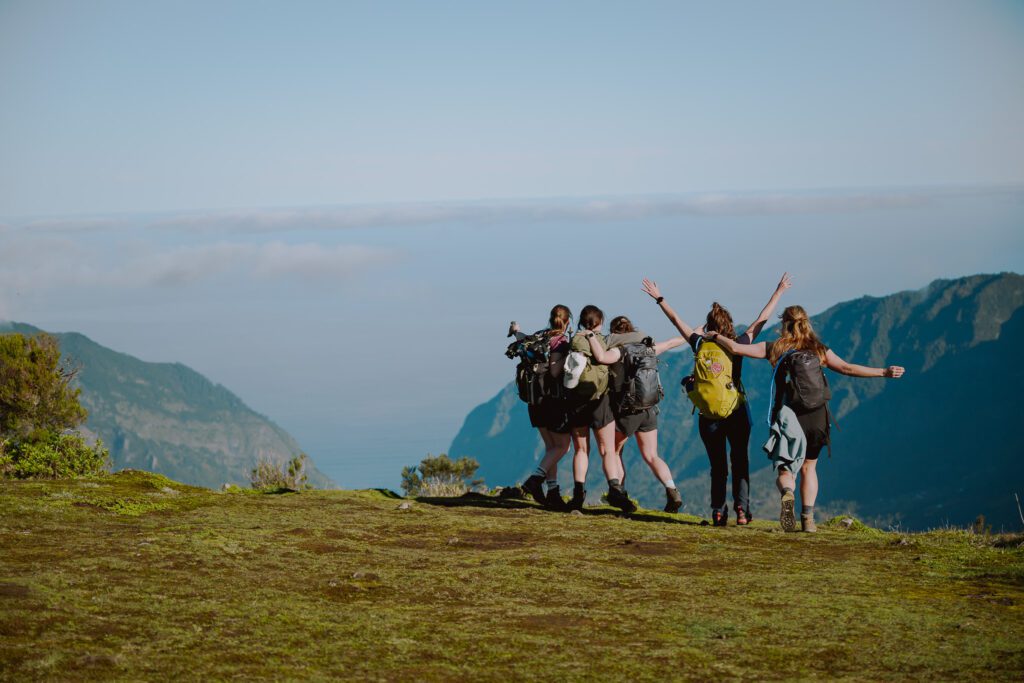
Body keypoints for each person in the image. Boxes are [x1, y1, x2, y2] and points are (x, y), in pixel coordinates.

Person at [705, 304, 905, 532]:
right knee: (810, 467)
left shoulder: (776, 348)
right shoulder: (818, 349)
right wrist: (884, 372)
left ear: (784, 324)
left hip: (791, 416)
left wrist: (715, 336)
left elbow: (736, 348)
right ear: (806, 323)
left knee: (786, 470)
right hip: (818, 415)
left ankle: (787, 493)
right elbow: (847, 368)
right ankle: (807, 519)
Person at [641, 274, 792, 526]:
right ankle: (742, 511)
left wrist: (659, 297)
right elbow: (760, 322)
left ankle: (718, 511)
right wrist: (778, 292)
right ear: (729, 325)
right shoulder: (738, 344)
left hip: (708, 416)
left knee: (718, 466)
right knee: (740, 461)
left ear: (710, 325)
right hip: (736, 411)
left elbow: (675, 320)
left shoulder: (699, 343)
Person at [584, 315, 687, 512]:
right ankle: (672, 489)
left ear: (614, 333)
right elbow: (674, 342)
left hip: (627, 411)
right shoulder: (649, 348)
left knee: (613, 451)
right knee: (651, 455)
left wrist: (589, 336)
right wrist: (694, 333)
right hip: (649, 409)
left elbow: (601, 358)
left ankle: (620, 494)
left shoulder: (619, 350)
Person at [564, 305, 635, 513]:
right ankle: (615, 489)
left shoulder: (575, 341)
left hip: (576, 401)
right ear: (599, 322)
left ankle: (578, 495)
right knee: (608, 449)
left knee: (581, 449)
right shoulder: (602, 341)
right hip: (600, 401)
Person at [513, 306, 574, 510]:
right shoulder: (561, 342)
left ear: (550, 319)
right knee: (563, 446)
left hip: (534, 400)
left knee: (551, 448)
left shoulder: (539, 336)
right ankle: (534, 480)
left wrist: (515, 331)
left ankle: (553, 491)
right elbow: (555, 371)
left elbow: (520, 340)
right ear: (567, 321)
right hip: (552, 400)